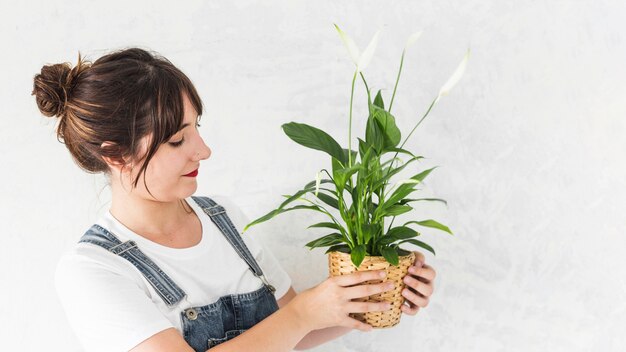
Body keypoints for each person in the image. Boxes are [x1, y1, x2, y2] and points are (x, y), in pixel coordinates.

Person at [31, 47, 437, 352]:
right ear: (116, 155)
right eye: (177, 140)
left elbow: (294, 334)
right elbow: (295, 321)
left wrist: (377, 293)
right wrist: (302, 313)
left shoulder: (224, 218)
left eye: (196, 129)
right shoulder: (93, 270)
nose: (203, 151)